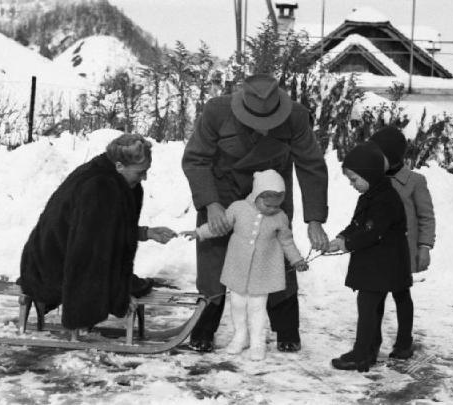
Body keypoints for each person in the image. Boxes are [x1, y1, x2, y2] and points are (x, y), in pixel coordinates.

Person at [182, 73, 329, 353]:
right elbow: (195, 158)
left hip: (273, 195)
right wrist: (210, 204)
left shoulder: (297, 117)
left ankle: (287, 329)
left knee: (276, 255)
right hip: (222, 193)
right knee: (214, 259)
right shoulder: (216, 111)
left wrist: (315, 220)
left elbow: (312, 166)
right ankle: (204, 327)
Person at [18, 133, 177, 330]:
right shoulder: (99, 187)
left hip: (62, 258)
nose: (144, 177)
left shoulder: (111, 177)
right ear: (119, 166)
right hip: (51, 269)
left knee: (129, 284)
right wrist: (116, 295)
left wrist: (146, 233)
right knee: (121, 287)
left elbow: (106, 228)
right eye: (140, 172)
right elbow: (87, 252)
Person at [182, 170, 309, 360]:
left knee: (257, 308)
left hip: (263, 272)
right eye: (268, 204)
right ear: (256, 195)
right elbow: (221, 225)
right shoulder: (238, 208)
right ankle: (240, 336)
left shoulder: (280, 217)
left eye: (276, 206)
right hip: (237, 269)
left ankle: (257, 342)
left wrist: (296, 259)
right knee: (238, 305)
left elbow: (287, 241)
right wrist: (200, 233)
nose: (272, 209)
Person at [327, 143, 411, 372]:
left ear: (370, 174)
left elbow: (373, 231)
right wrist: (342, 237)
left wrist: (348, 243)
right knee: (371, 307)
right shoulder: (371, 194)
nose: (352, 184)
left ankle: (362, 353)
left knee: (368, 307)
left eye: (354, 179)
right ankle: (370, 348)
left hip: (382, 266)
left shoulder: (386, 199)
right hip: (374, 265)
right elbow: (359, 224)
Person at [369, 126, 436, 359]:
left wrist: (424, 247)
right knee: (375, 297)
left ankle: (404, 342)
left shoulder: (415, 181)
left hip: (402, 252)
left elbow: (426, 217)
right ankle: (372, 341)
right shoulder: (372, 180)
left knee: (401, 295)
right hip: (377, 250)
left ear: (394, 156)